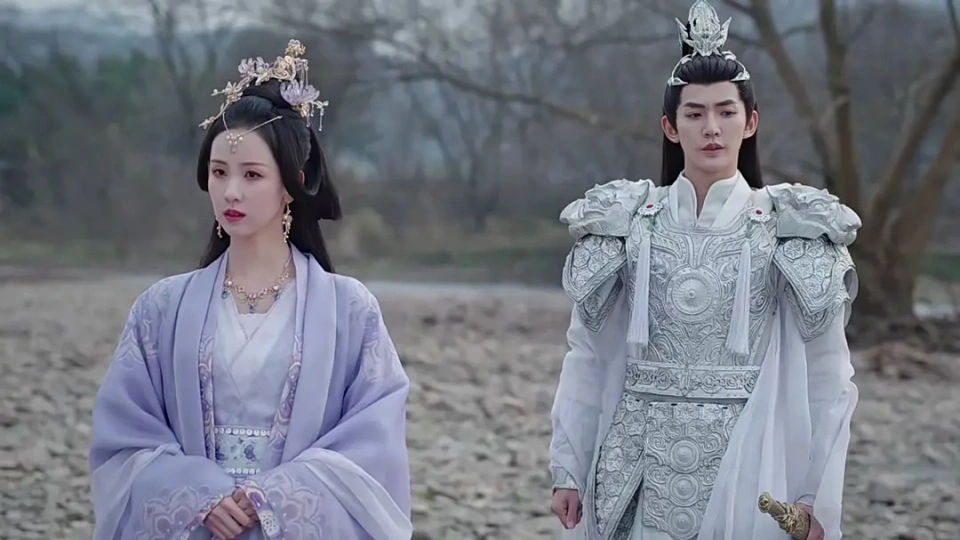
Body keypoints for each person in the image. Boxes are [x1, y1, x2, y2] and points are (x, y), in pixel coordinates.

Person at [548, 2, 861, 539]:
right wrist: (569, 465)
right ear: (670, 127)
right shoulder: (628, 221)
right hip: (635, 463)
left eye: (725, 112)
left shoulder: (790, 226)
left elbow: (828, 373)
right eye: (694, 114)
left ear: (751, 121)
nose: (711, 128)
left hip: (747, 459)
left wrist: (816, 494)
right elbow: (588, 354)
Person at [89, 39, 413, 540]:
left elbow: (374, 438)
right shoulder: (161, 308)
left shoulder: (349, 309)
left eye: (252, 175)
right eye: (219, 173)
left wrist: (275, 497)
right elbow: (126, 436)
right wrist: (198, 494)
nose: (231, 191)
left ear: (292, 183)